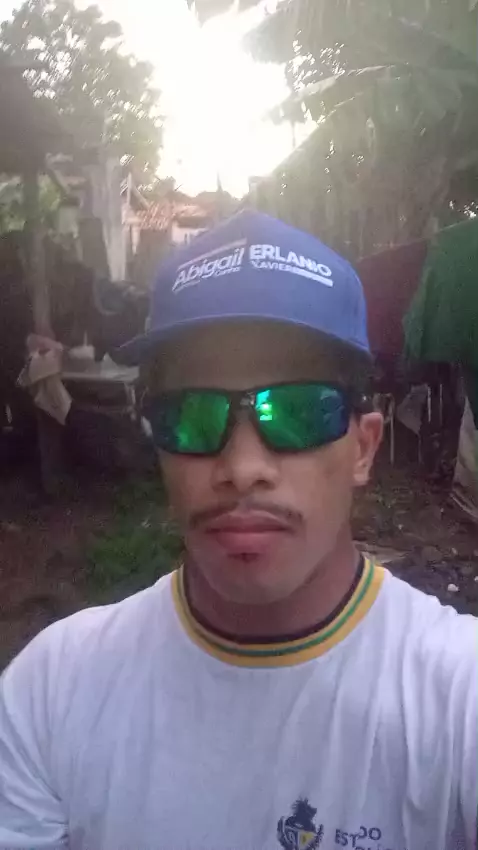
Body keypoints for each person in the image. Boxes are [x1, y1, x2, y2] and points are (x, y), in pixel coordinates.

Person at [0, 210, 476, 850]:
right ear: (159, 446)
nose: (243, 467)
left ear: (363, 448)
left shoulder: (458, 699)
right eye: (193, 416)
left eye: (298, 412)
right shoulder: (51, 693)